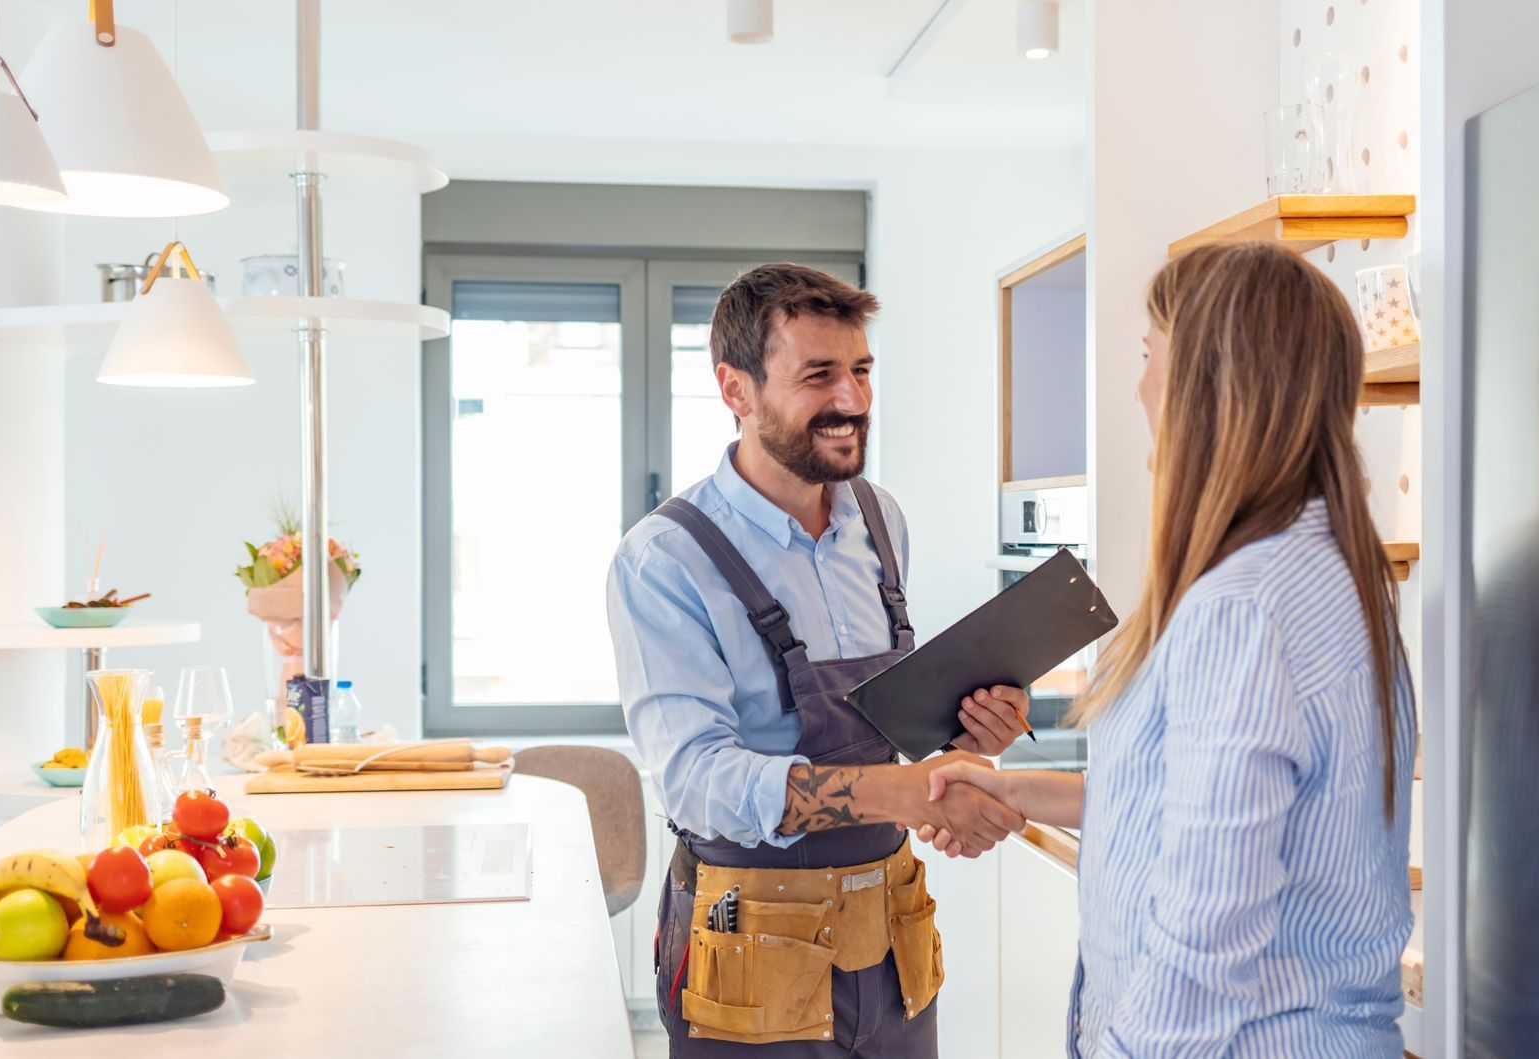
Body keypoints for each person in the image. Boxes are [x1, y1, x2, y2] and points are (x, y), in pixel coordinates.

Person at [927, 242, 1417, 1057]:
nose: (1139, 388)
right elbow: (1188, 809)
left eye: (1149, 356)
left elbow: (1206, 932)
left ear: (1208, 385)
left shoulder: (1241, 610)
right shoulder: (1332, 571)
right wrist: (1012, 791)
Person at [607, 262, 1032, 1057]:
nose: (852, 400)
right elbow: (697, 781)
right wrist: (907, 791)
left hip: (892, 935)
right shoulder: (664, 559)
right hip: (749, 953)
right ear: (736, 390)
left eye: (862, 370)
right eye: (819, 375)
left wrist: (967, 742)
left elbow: (885, 731)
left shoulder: (880, 520)